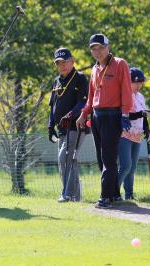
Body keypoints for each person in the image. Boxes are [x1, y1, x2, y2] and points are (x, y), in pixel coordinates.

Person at [76, 33, 133, 209]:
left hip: (112, 115)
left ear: (108, 47)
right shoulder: (94, 69)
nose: (97, 51)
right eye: (94, 48)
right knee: (102, 158)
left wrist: (125, 114)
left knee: (108, 157)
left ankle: (105, 197)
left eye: (101, 48)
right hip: (96, 116)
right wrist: (84, 113)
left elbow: (126, 90)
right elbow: (91, 96)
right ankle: (114, 193)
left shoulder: (120, 63)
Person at [48, 47, 89, 202]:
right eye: (58, 63)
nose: (62, 65)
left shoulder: (80, 78)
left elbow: (83, 102)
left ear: (72, 62)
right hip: (61, 128)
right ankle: (74, 197)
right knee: (67, 161)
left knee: (64, 158)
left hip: (76, 126)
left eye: (65, 62)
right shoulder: (56, 81)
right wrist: (50, 126)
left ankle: (67, 194)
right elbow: (52, 106)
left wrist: (70, 115)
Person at [117, 67, 150, 200]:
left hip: (137, 136)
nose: (139, 85)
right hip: (124, 134)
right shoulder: (123, 95)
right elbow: (126, 115)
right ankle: (113, 193)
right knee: (126, 165)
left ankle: (129, 195)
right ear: (127, 82)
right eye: (135, 82)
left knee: (132, 168)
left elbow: (143, 116)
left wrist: (147, 132)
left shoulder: (141, 96)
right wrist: (141, 114)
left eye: (141, 82)